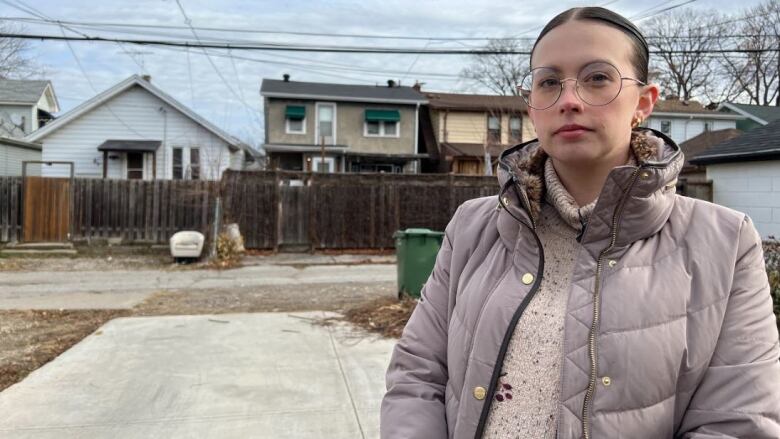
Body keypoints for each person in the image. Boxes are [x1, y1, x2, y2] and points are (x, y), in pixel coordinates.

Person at [380, 6, 780, 439]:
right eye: (549, 82)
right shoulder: (473, 228)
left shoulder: (724, 242)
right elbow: (415, 376)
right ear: (532, 105)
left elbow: (738, 422)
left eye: (597, 78)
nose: (569, 99)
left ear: (643, 103)